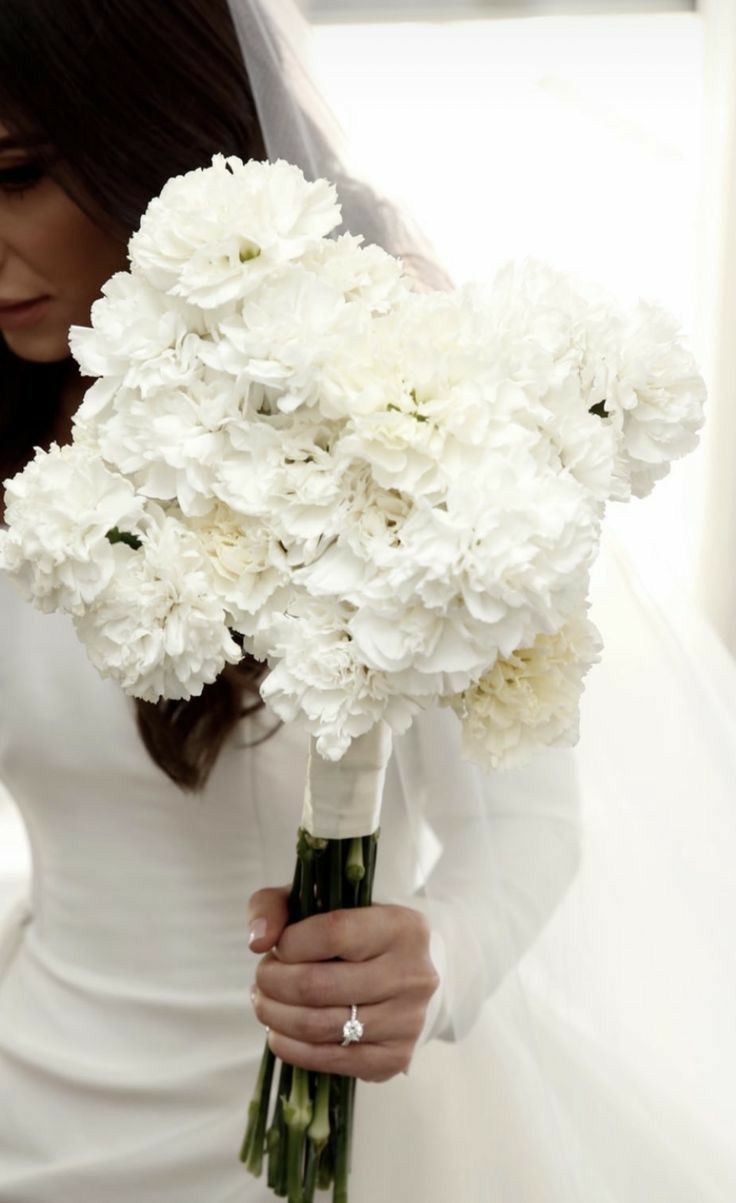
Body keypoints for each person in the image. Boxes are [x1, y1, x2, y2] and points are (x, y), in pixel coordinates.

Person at [0, 2, 735, 1202]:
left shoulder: (396, 417)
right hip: (31, 1100)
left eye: (18, 174)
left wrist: (427, 967)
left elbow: (523, 828)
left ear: (148, 133)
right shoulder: (20, 421)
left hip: (320, 1134)